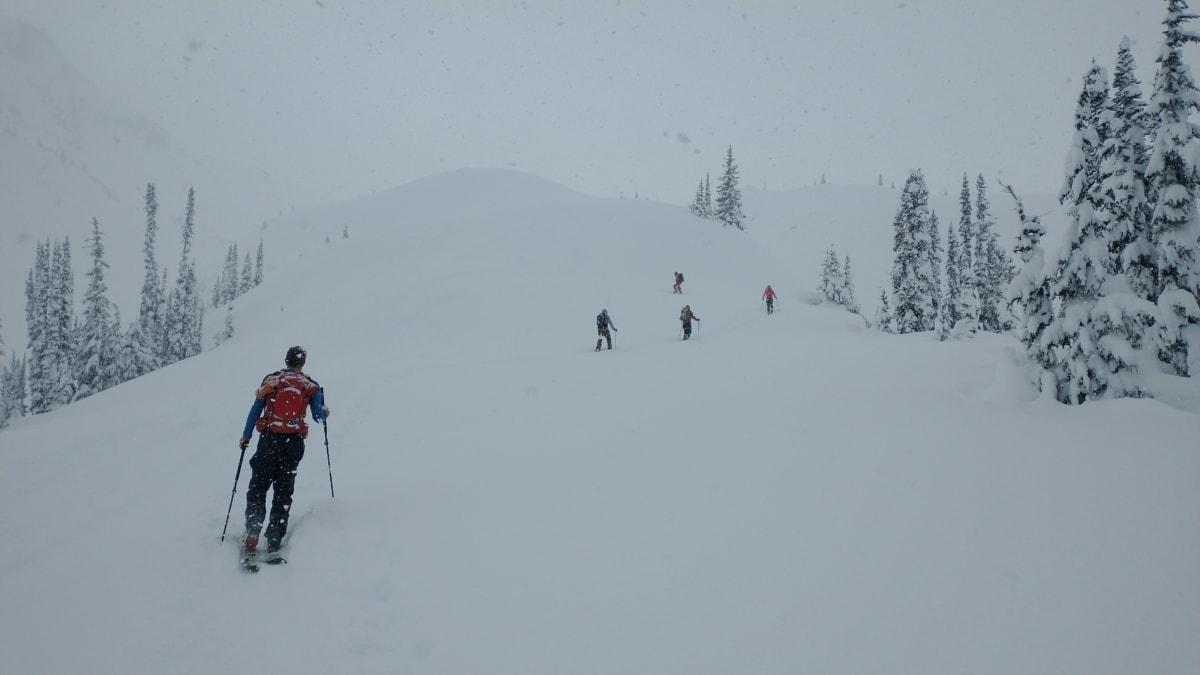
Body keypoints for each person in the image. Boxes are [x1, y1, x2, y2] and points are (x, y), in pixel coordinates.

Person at [238, 346, 329, 554]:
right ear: (302, 363)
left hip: (268, 440)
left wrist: (246, 436)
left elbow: (256, 409)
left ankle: (253, 529)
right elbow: (318, 417)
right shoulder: (311, 385)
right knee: (283, 490)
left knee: (258, 486)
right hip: (293, 444)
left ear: (285, 360)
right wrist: (325, 411)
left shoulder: (272, 380)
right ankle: (274, 538)